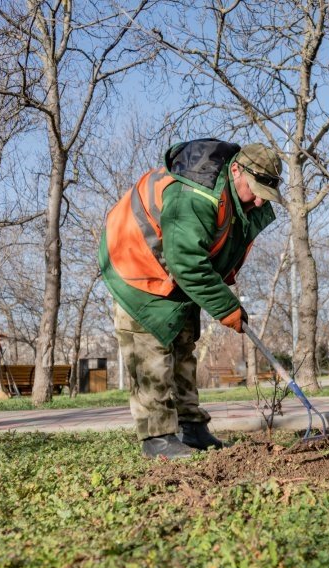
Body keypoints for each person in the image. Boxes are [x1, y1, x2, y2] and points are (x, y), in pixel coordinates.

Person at [99, 139, 281, 459]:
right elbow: (185, 261)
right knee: (150, 350)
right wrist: (225, 307)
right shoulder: (194, 196)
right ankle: (157, 438)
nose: (257, 201)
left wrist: (225, 300)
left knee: (183, 346)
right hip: (135, 263)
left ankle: (192, 428)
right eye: (253, 189)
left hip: (171, 270)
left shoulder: (235, 200)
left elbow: (210, 253)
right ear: (236, 169)